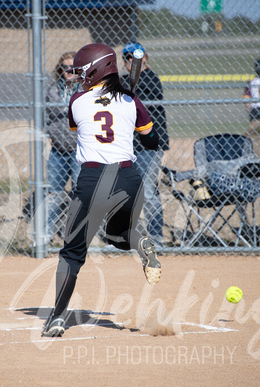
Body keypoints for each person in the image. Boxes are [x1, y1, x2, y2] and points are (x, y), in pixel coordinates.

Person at [42, 43, 162, 337]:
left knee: (72, 254)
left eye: (83, 71)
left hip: (93, 179)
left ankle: (57, 318)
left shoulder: (77, 101)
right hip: (129, 179)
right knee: (116, 236)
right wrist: (131, 109)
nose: (80, 77)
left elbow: (80, 129)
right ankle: (139, 241)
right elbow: (152, 142)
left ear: (96, 70)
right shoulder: (131, 101)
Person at [120, 42, 170, 249]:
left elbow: (133, 96)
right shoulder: (122, 80)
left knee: (148, 190)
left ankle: (156, 237)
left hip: (149, 144)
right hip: (127, 143)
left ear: (145, 58)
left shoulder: (151, 78)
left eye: (137, 57)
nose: (132, 60)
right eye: (128, 57)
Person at [45, 52, 81, 243]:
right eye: (66, 67)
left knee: (79, 194)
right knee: (53, 194)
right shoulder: (52, 90)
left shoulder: (85, 90)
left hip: (79, 151)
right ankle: (46, 236)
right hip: (57, 151)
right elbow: (46, 116)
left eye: (73, 67)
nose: (69, 70)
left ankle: (74, 236)